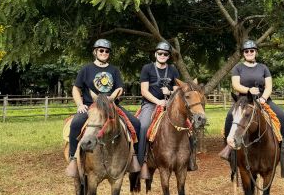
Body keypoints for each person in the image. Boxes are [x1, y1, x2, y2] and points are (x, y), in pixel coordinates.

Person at [65, 39, 140, 177]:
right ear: (95, 52)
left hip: (112, 106)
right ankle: (73, 159)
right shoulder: (86, 69)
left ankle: (134, 157)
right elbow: (76, 88)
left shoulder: (114, 70)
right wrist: (80, 104)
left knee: (136, 123)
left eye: (106, 51)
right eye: (101, 50)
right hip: (91, 107)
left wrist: (113, 97)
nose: (104, 53)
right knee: (75, 124)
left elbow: (119, 88)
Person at [222, 39, 284, 163]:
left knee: (283, 116)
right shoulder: (238, 68)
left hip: (262, 99)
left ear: (256, 52)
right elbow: (236, 85)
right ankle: (229, 147)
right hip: (244, 100)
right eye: (246, 51)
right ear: (243, 53)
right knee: (230, 116)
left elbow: (269, 87)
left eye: (252, 50)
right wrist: (249, 90)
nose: (249, 52)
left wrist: (263, 99)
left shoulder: (263, 68)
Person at [138, 41, 197, 174]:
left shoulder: (173, 70)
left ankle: (191, 160)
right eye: (160, 53)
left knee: (189, 128)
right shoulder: (147, 68)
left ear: (168, 56)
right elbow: (144, 91)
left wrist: (169, 93)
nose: (162, 55)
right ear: (155, 54)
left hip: (170, 105)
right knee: (143, 126)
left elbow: (177, 91)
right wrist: (158, 101)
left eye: (165, 54)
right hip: (151, 104)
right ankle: (143, 161)